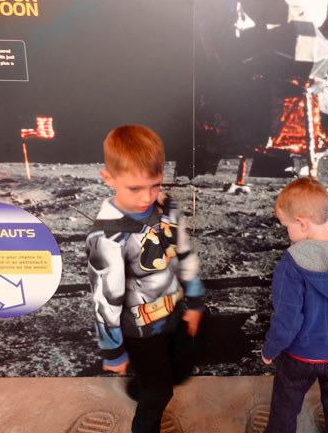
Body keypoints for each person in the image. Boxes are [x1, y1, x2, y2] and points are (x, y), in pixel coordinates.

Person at [85, 125, 204, 433]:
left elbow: (184, 251)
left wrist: (194, 300)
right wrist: (113, 349)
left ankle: (143, 384)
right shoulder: (107, 237)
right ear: (108, 178)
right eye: (134, 189)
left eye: (154, 185)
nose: (146, 197)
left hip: (174, 312)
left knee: (181, 370)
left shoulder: (166, 207)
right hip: (139, 329)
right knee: (160, 392)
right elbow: (106, 299)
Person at [259, 177, 328, 433]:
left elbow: (287, 319)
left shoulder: (292, 262)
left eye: (286, 226)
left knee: (285, 406)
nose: (287, 233)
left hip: (300, 355)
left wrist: (270, 349)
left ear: (301, 223)